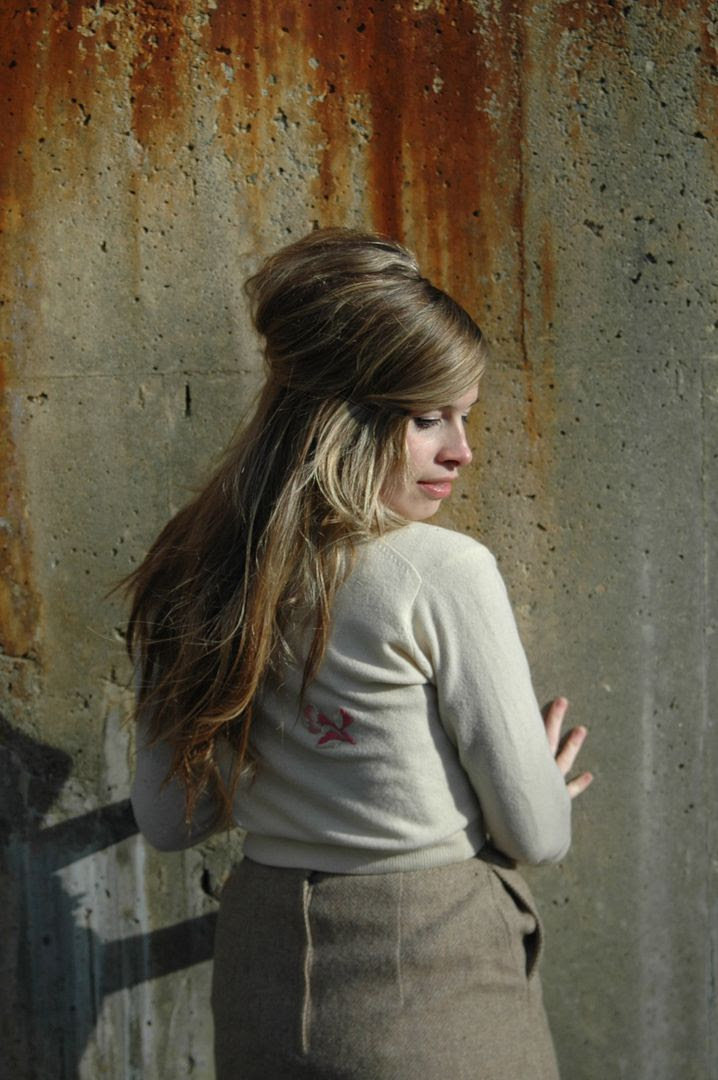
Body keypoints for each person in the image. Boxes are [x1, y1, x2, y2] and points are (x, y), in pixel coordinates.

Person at [127, 227, 593, 1079]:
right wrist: (544, 788)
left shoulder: (194, 563)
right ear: (339, 419)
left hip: (263, 972)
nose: (462, 450)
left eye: (463, 416)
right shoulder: (442, 571)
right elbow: (535, 832)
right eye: (428, 418)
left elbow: (170, 822)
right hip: (433, 971)